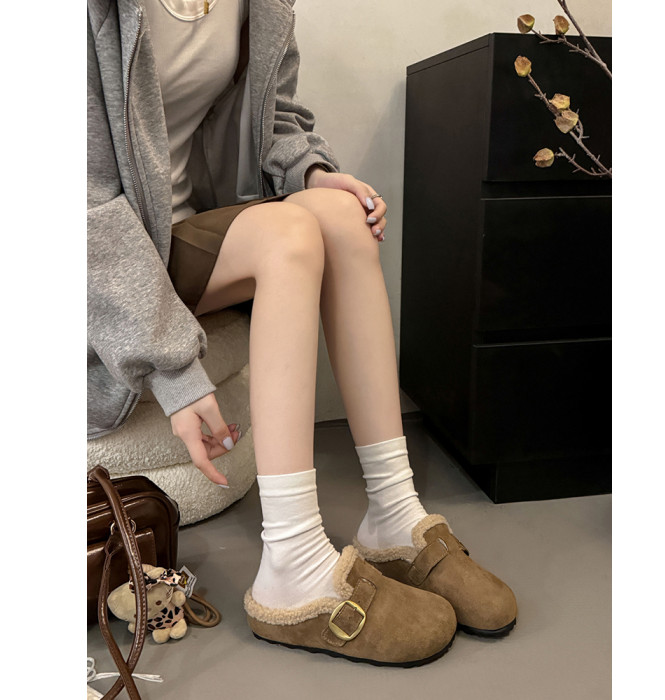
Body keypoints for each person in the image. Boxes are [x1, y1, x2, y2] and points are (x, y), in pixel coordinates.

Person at [87, 0, 517, 666]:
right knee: (288, 235)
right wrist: (172, 368)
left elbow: (274, 118)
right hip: (96, 268)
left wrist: (313, 172)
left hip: (178, 236)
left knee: (341, 216)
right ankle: (290, 562)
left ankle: (394, 513)